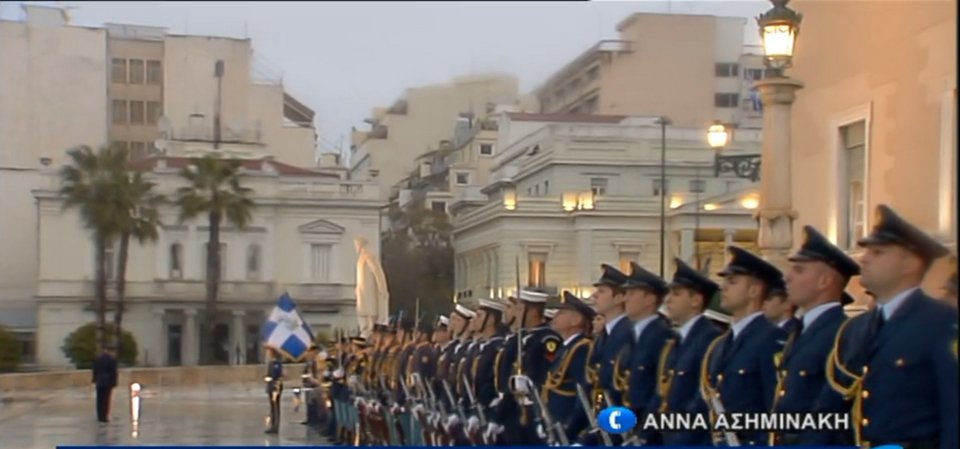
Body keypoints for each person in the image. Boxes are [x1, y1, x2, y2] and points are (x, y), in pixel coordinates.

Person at [826, 204, 957, 449]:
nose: (863, 258)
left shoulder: (942, 323)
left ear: (909, 264)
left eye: (877, 252)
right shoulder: (856, 328)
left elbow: (953, 414)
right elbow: (834, 409)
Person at [772, 225, 859, 445]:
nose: (787, 277)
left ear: (824, 282)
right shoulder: (800, 330)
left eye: (799, 270)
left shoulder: (841, 333)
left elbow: (832, 412)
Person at [702, 246, 787, 446]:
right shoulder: (722, 343)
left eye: (732, 282)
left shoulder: (770, 339)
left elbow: (775, 407)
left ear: (753, 291)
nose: (723, 287)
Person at [653, 258, 722, 446]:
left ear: (696, 300)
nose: (668, 299)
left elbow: (702, 398)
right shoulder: (676, 341)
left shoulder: (708, 338)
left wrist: (680, 439)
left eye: (676, 294)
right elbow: (663, 395)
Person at [615, 262, 673, 445]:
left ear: (650, 299)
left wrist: (644, 434)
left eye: (632, 294)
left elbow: (660, 391)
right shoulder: (634, 335)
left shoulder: (661, 335)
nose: (626, 299)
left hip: (650, 434)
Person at [542, 291, 595, 444]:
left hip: (569, 427)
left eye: (561, 313)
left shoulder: (582, 348)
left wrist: (571, 429)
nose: (555, 316)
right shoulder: (566, 347)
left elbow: (582, 394)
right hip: (557, 424)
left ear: (575, 320)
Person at [91, 343, 119, 423]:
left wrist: (94, 380)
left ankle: (99, 416)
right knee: (106, 400)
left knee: (99, 399)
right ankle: (104, 416)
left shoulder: (98, 359)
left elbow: (95, 370)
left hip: (99, 381)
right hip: (108, 381)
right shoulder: (112, 360)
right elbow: (114, 372)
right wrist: (114, 382)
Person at [264, 347, 284, 434]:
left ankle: (275, 426)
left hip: (275, 387)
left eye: (268, 352)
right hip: (271, 387)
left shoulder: (277, 363)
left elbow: (278, 376)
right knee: (272, 407)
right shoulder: (271, 363)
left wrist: (276, 386)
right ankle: (273, 425)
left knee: (275, 407)